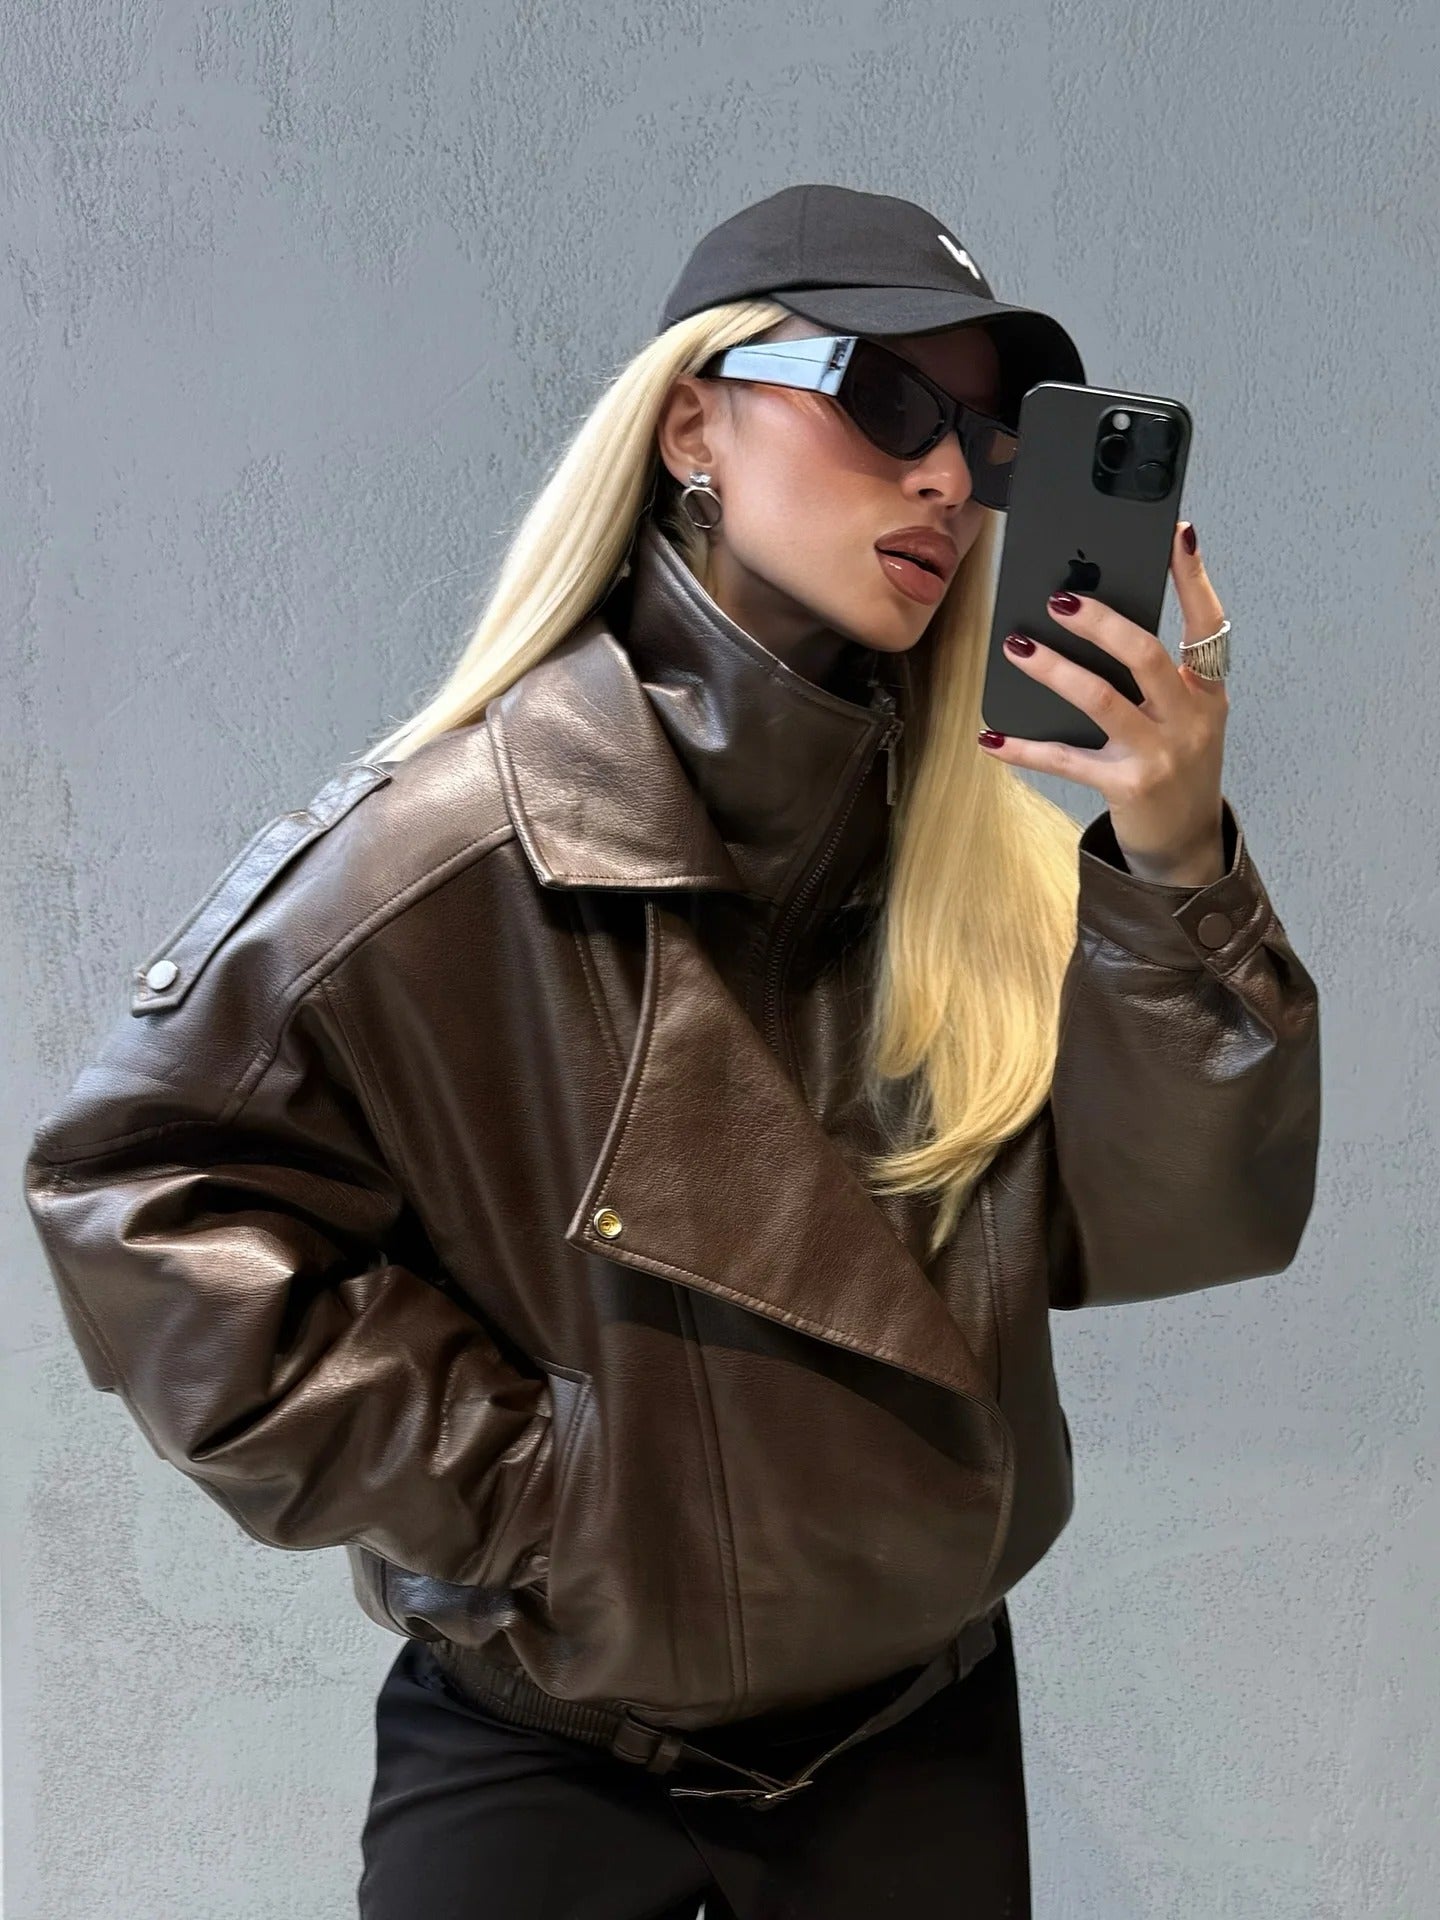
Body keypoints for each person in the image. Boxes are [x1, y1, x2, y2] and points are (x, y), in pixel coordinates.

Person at [22, 183, 1322, 1918]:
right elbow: (139, 1195)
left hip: (919, 1738)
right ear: (694, 422)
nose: (948, 477)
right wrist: (548, 1495)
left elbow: (1182, 1223)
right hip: (544, 1758)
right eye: (887, 400)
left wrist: (1173, 860)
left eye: (988, 437)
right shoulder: (457, 845)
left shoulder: (981, 857)